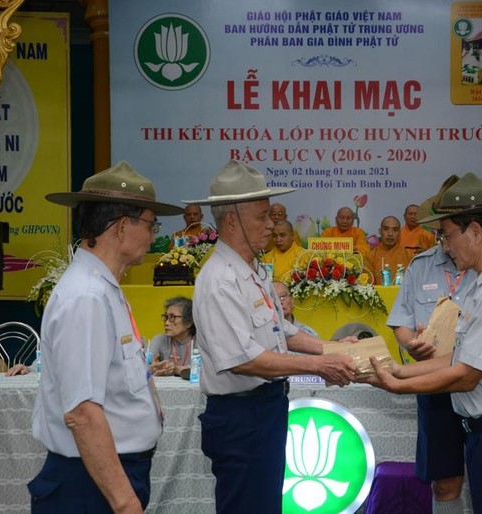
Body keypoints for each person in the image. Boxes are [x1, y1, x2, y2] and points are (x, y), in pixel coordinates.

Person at [363, 172, 482, 514]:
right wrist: (398, 370)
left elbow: (467, 374)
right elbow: (459, 356)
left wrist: (397, 385)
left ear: (476, 232)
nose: (445, 246)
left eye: (447, 235)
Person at [185, 160, 358, 514]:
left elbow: (284, 333)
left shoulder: (253, 269)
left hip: (266, 410)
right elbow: (247, 359)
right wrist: (320, 365)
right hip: (241, 416)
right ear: (231, 220)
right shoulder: (219, 279)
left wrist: (335, 347)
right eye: (262, 217)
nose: (272, 225)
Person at [29, 161, 183, 512]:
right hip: (90, 487)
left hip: (102, 478)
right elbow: (83, 413)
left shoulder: (101, 288)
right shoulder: (86, 296)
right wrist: (125, 502)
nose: (153, 233)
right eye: (150, 223)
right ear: (122, 227)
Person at [386, 176, 476, 514]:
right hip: (435, 389)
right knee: (445, 480)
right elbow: (401, 323)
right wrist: (412, 345)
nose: (445, 237)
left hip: (480, 382)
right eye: (441, 230)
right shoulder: (420, 266)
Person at [149, 296, 195, 377]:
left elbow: (208, 369)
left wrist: (177, 369)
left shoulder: (200, 341)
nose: (166, 323)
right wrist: (152, 367)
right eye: (166, 317)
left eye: (172, 317)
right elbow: (143, 364)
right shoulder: (159, 339)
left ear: (188, 322)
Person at [366, 216, 414, 285]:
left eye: (395, 230)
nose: (390, 234)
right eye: (386, 229)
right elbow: (368, 286)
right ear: (380, 231)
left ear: (400, 233)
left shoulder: (408, 256)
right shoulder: (370, 257)